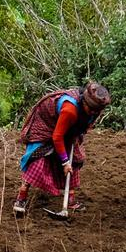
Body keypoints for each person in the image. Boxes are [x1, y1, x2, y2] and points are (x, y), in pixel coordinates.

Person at [13, 82, 111, 217]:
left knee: (76, 159)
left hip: (69, 124)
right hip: (46, 121)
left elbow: (86, 125)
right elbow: (57, 137)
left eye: (97, 111)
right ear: (84, 103)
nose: (94, 113)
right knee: (38, 155)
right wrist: (64, 162)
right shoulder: (69, 110)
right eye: (92, 110)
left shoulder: (95, 110)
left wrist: (75, 133)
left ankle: (70, 200)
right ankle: (21, 197)